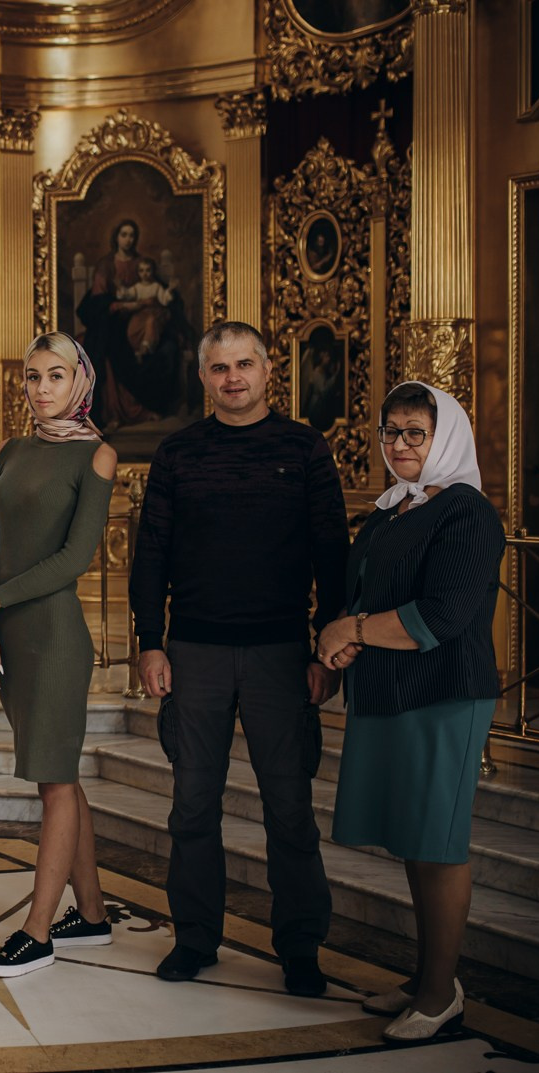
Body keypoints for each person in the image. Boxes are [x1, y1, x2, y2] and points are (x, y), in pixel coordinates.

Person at [129, 320, 347, 996]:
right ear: (203, 376)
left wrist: (326, 648)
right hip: (195, 650)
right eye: (220, 367)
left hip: (281, 652)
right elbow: (151, 552)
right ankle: (195, 937)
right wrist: (149, 641)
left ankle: (301, 947)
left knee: (289, 808)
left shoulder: (305, 447)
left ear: (268, 369)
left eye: (244, 364)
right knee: (192, 806)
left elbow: (332, 551)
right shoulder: (177, 453)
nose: (233, 378)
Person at [313, 381, 503, 1043]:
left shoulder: (466, 512)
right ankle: (428, 978)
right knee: (416, 842)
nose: (399, 444)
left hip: (444, 694)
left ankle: (441, 994)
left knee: (438, 845)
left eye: (415, 432)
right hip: (393, 687)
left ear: (444, 436)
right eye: (390, 431)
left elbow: (444, 615)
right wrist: (344, 637)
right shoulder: (393, 508)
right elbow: (367, 592)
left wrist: (352, 630)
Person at [0, 333, 120, 977]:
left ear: (79, 381)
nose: (42, 388)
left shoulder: (97, 455)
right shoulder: (11, 450)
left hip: (54, 637)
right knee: (61, 776)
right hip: (7, 638)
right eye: (32, 377)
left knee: (53, 780)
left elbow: (74, 559)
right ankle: (92, 914)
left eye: (55, 375)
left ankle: (37, 933)